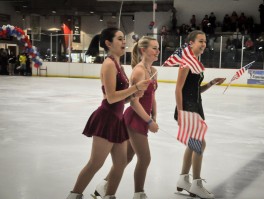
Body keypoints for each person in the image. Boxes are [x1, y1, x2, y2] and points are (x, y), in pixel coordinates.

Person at [66, 27, 150, 199]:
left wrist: (134, 94)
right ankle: (74, 196)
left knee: (119, 165)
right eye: (119, 39)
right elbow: (111, 98)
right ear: (108, 43)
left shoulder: (118, 64)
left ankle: (109, 196)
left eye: (123, 39)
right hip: (106, 118)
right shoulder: (109, 64)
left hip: (117, 119)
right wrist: (135, 88)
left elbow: (121, 99)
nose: (124, 42)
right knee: (95, 163)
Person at [94, 36, 160, 199]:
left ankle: (103, 186)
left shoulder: (154, 70)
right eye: (154, 48)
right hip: (135, 119)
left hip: (144, 117)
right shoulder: (139, 71)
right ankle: (139, 194)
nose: (158, 51)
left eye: (158, 48)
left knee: (128, 157)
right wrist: (149, 121)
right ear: (143, 50)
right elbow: (134, 103)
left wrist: (155, 115)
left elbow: (152, 97)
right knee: (145, 159)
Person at [175, 30, 226, 199]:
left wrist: (211, 83)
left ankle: (183, 179)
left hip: (196, 106)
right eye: (200, 41)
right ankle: (196, 184)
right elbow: (178, 89)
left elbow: (197, 89)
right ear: (191, 43)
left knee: (193, 143)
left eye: (205, 41)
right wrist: (181, 113)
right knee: (199, 144)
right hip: (187, 108)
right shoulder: (186, 62)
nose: (204, 44)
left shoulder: (196, 61)